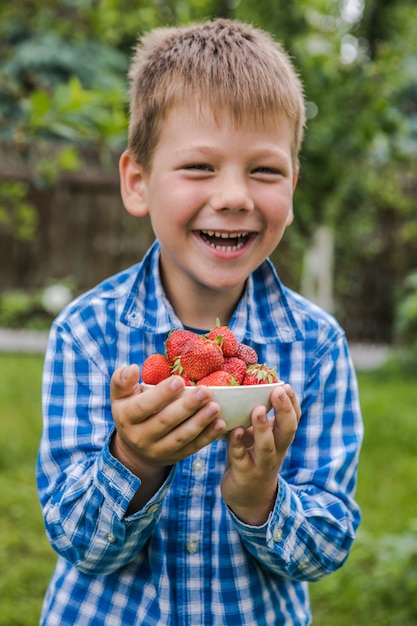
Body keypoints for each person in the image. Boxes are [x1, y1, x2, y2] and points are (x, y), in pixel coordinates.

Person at [36, 18, 363, 626]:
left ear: (292, 186)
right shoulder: (86, 333)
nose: (236, 195)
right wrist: (133, 458)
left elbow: (326, 548)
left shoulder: (316, 347)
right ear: (137, 182)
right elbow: (80, 544)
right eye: (199, 167)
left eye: (264, 171)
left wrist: (259, 498)